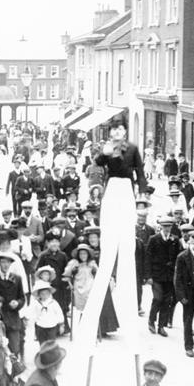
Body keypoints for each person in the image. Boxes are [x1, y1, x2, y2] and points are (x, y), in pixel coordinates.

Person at [79, 115, 146, 349]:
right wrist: (105, 152)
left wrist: (142, 195)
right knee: (109, 221)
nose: (117, 132)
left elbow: (140, 173)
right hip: (112, 187)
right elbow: (97, 162)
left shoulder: (133, 149)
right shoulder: (107, 149)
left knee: (126, 231)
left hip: (126, 187)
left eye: (120, 129)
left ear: (125, 132)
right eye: (114, 129)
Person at [145, 216, 180, 337]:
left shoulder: (175, 240)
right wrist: (148, 276)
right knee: (157, 298)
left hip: (169, 276)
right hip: (156, 275)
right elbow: (147, 258)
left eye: (169, 226)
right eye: (165, 226)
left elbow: (177, 258)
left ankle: (161, 326)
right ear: (161, 227)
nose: (167, 229)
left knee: (167, 301)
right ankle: (151, 320)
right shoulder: (154, 239)